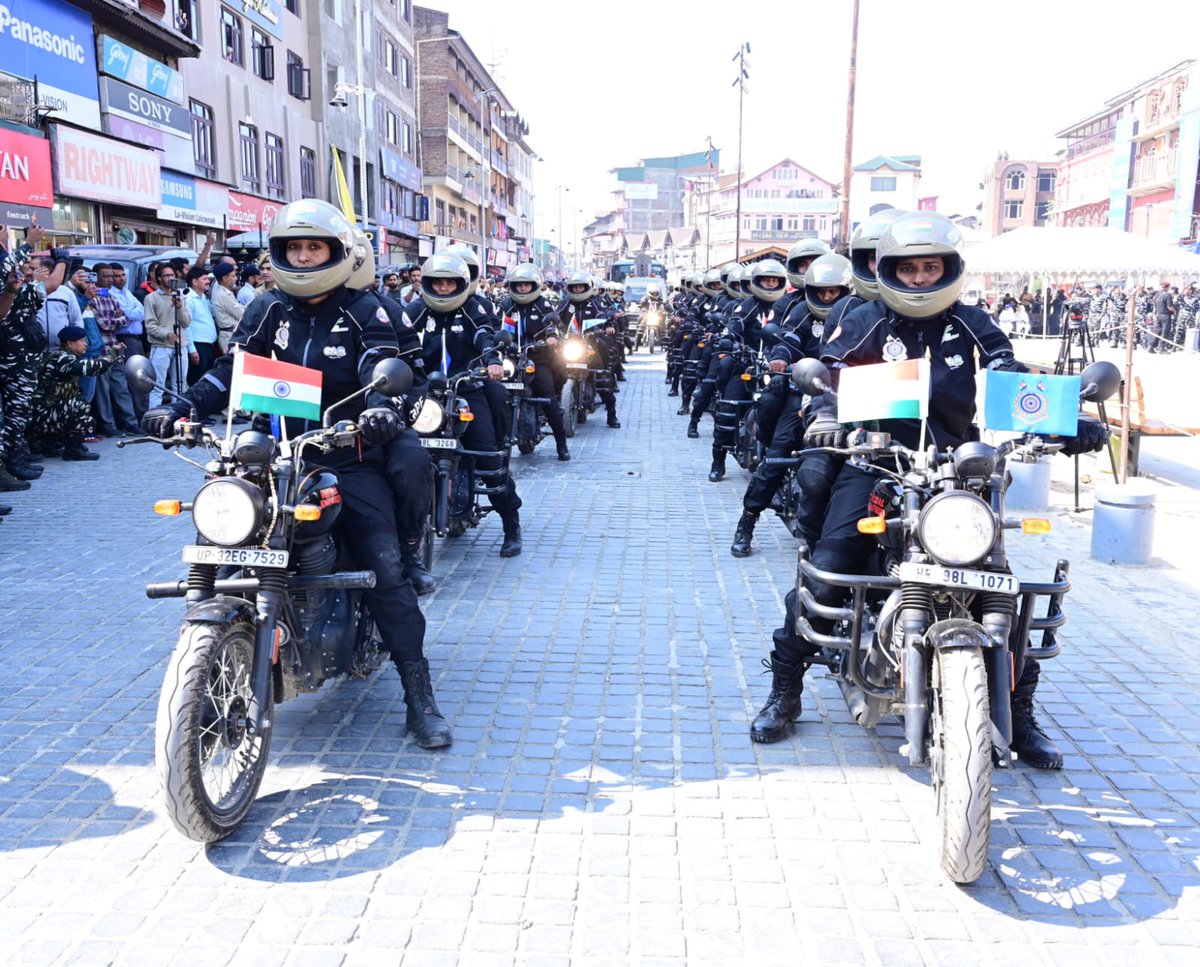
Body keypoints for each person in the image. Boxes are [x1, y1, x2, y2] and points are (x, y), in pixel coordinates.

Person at [749, 212, 1107, 770]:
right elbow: (833, 372)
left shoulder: (973, 324)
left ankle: (1020, 707)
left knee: (1001, 587)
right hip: (877, 464)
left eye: (930, 266)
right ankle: (786, 689)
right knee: (833, 564)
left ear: (949, 269)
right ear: (889, 270)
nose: (919, 277)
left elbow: (1009, 374)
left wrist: (1065, 417)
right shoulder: (865, 319)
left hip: (959, 470)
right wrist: (823, 409)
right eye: (909, 267)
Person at [141, 199, 451, 749]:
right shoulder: (265, 308)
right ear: (279, 253)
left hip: (342, 453)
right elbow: (229, 370)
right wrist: (183, 406)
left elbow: (377, 365)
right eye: (294, 248)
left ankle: (418, 693)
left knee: (385, 574)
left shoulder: (366, 310)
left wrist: (377, 411)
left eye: (315, 247)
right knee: (218, 531)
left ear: (335, 253)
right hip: (268, 451)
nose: (304, 257)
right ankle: (202, 677)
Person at [403, 252, 527, 554]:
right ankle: (405, 540)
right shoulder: (416, 309)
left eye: (450, 282)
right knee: (403, 456)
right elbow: (400, 337)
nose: (444, 288)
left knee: (487, 457)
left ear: (461, 283)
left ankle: (511, 522)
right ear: (428, 284)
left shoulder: (472, 308)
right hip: (427, 394)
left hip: (466, 389)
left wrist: (492, 360)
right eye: (438, 282)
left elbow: (485, 335)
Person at [500, 262, 571, 461]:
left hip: (537, 359)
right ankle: (496, 449)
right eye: (519, 284)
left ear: (535, 285)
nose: (523, 288)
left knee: (549, 399)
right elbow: (496, 326)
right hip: (511, 360)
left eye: (527, 284)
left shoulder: (542, 304)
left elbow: (551, 320)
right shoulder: (507, 305)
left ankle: (561, 445)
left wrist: (550, 335)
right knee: (496, 397)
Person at [28, 324, 112, 461]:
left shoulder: (66, 357)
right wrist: (110, 357)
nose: (85, 344)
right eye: (81, 341)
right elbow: (87, 368)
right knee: (80, 405)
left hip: (46, 412)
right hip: (40, 415)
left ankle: (50, 443)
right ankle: (73, 449)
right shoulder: (61, 358)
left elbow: (93, 369)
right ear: (69, 343)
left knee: (75, 404)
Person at [555, 270, 621, 429]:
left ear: (588, 287)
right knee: (554, 368)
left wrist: (609, 324)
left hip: (590, 341)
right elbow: (556, 316)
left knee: (601, 375)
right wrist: (553, 326)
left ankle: (611, 414)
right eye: (575, 287)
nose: (577, 290)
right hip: (570, 342)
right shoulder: (566, 302)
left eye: (581, 287)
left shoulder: (595, 302)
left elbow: (605, 314)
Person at [143, 263, 192, 408]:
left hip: (180, 345)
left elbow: (186, 322)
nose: (170, 278)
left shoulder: (181, 297)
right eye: (167, 275)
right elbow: (150, 325)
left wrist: (179, 307)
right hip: (161, 346)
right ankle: (154, 418)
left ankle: (178, 417)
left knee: (181, 385)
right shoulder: (151, 298)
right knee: (157, 386)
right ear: (159, 278)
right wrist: (165, 334)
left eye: (172, 275)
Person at [183, 267, 219, 384]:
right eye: (204, 279)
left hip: (209, 346)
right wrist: (192, 350)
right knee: (197, 382)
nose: (208, 281)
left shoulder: (203, 297)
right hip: (198, 346)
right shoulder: (188, 299)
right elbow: (186, 325)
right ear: (194, 282)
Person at [211, 262, 244, 353]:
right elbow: (241, 314)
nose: (236, 278)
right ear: (225, 278)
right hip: (229, 336)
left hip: (231, 334)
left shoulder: (225, 292)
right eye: (233, 276)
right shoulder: (223, 295)